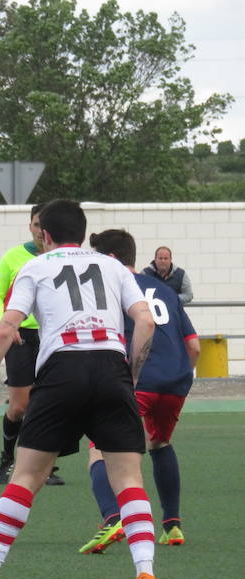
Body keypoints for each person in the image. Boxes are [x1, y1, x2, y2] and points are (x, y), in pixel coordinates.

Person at [0, 199, 170, 579]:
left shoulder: (34, 267)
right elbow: (145, 320)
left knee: (27, 477)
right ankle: (147, 577)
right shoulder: (114, 266)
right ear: (82, 233)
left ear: (43, 235)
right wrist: (129, 376)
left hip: (61, 371)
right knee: (129, 481)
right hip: (110, 370)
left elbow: (4, 331)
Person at [79, 229, 200, 554]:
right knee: (160, 443)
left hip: (139, 380)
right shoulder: (165, 289)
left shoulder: (112, 288)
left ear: (112, 259)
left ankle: (112, 518)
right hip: (174, 382)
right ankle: (172, 525)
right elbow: (194, 345)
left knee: (99, 449)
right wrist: (181, 378)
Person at [0, 204, 64, 486]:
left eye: (43, 226)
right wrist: (8, 325)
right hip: (21, 336)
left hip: (52, 337)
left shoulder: (60, 258)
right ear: (30, 226)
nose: (40, 231)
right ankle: (7, 457)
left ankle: (44, 465)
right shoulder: (13, 257)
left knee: (47, 403)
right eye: (35, 224)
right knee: (20, 406)